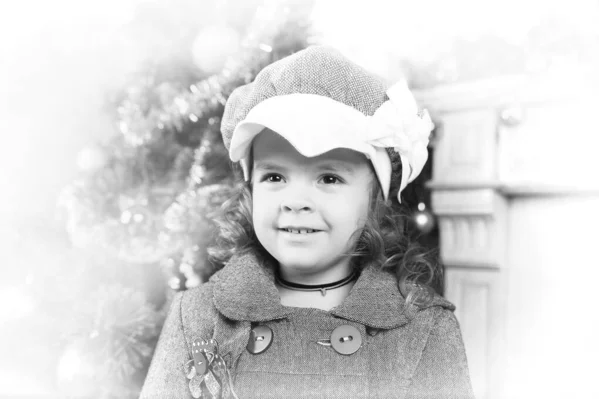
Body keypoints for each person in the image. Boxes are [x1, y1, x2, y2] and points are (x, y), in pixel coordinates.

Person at [139, 46, 474, 399]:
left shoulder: (422, 328)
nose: (295, 201)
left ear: (375, 198)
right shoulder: (197, 316)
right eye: (274, 177)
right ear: (250, 189)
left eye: (329, 178)